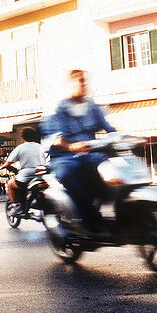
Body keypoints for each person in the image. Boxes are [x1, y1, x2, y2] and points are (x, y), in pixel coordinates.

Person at [41, 69, 116, 234]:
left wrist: (121, 137)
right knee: (69, 172)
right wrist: (69, 145)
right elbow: (55, 137)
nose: (83, 84)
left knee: (112, 171)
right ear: (69, 85)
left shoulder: (91, 106)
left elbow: (109, 128)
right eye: (79, 81)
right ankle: (89, 220)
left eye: (84, 80)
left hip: (89, 154)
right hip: (64, 157)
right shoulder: (59, 109)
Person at [0, 128, 44, 209]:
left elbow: (9, 162)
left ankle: (16, 206)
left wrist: (2, 166)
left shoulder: (20, 148)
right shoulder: (40, 146)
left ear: (22, 138)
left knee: (10, 184)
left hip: (25, 176)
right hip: (40, 175)